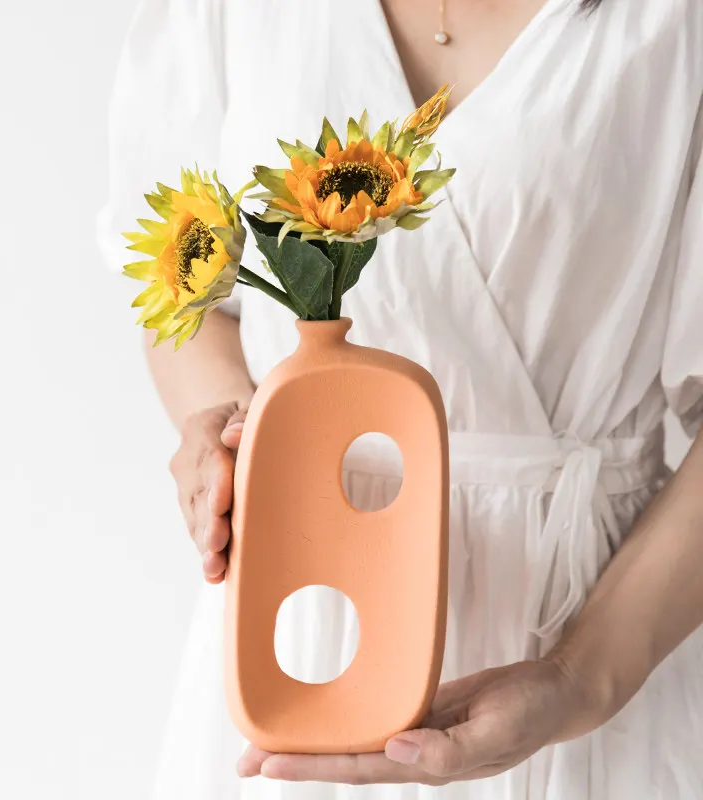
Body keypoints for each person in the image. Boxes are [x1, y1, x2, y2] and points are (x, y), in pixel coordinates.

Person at [97, 0, 703, 797]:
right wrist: (229, 430)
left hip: (593, 625)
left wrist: (580, 677)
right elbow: (179, 291)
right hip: (296, 623)